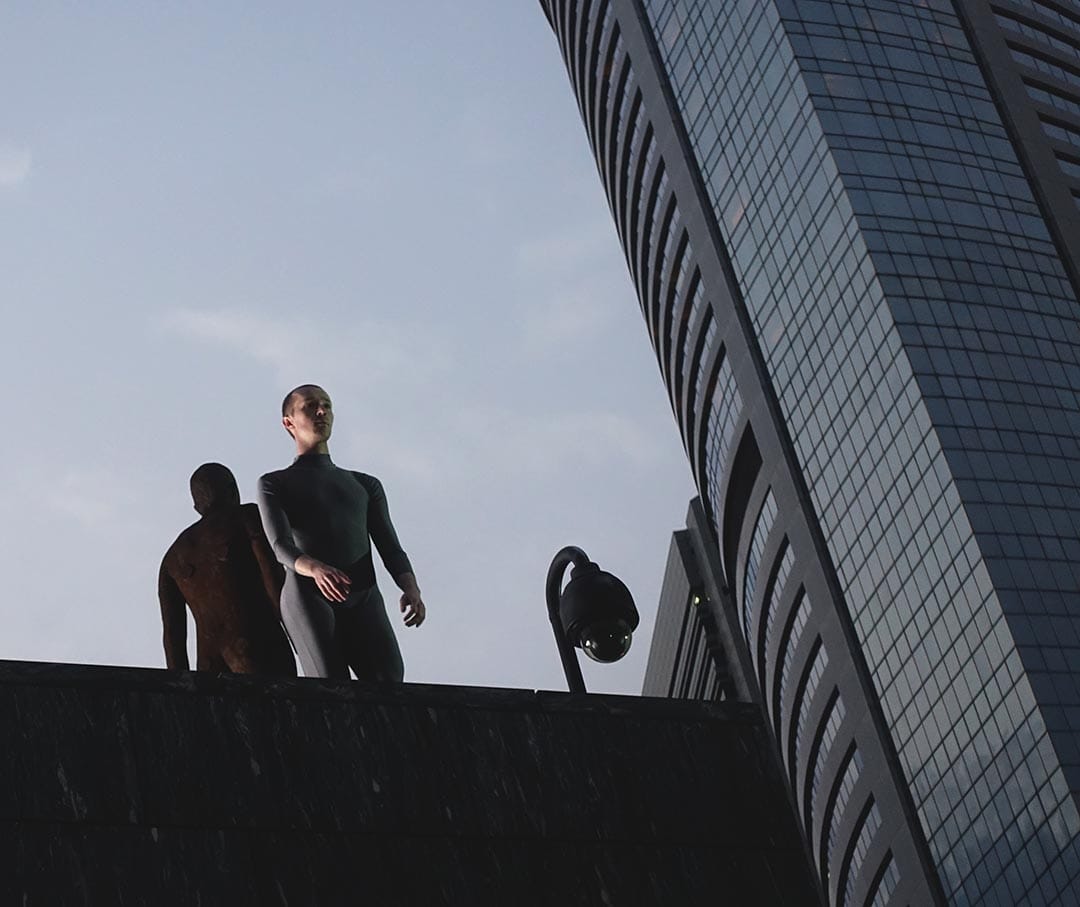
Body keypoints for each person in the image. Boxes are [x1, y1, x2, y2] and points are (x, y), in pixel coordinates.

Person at [256, 384, 425, 681]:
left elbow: (390, 547)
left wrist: (411, 588)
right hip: (309, 597)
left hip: (364, 596)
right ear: (289, 423)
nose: (321, 411)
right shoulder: (273, 483)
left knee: (390, 685)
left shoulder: (365, 485)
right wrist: (316, 569)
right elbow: (280, 545)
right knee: (331, 691)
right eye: (310, 406)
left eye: (327, 405)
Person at [158, 462, 297, 677]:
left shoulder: (172, 557)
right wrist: (296, 633)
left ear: (197, 506)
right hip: (258, 646)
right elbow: (273, 579)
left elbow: (172, 636)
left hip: (208, 664)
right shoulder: (247, 516)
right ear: (233, 490)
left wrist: (179, 685)